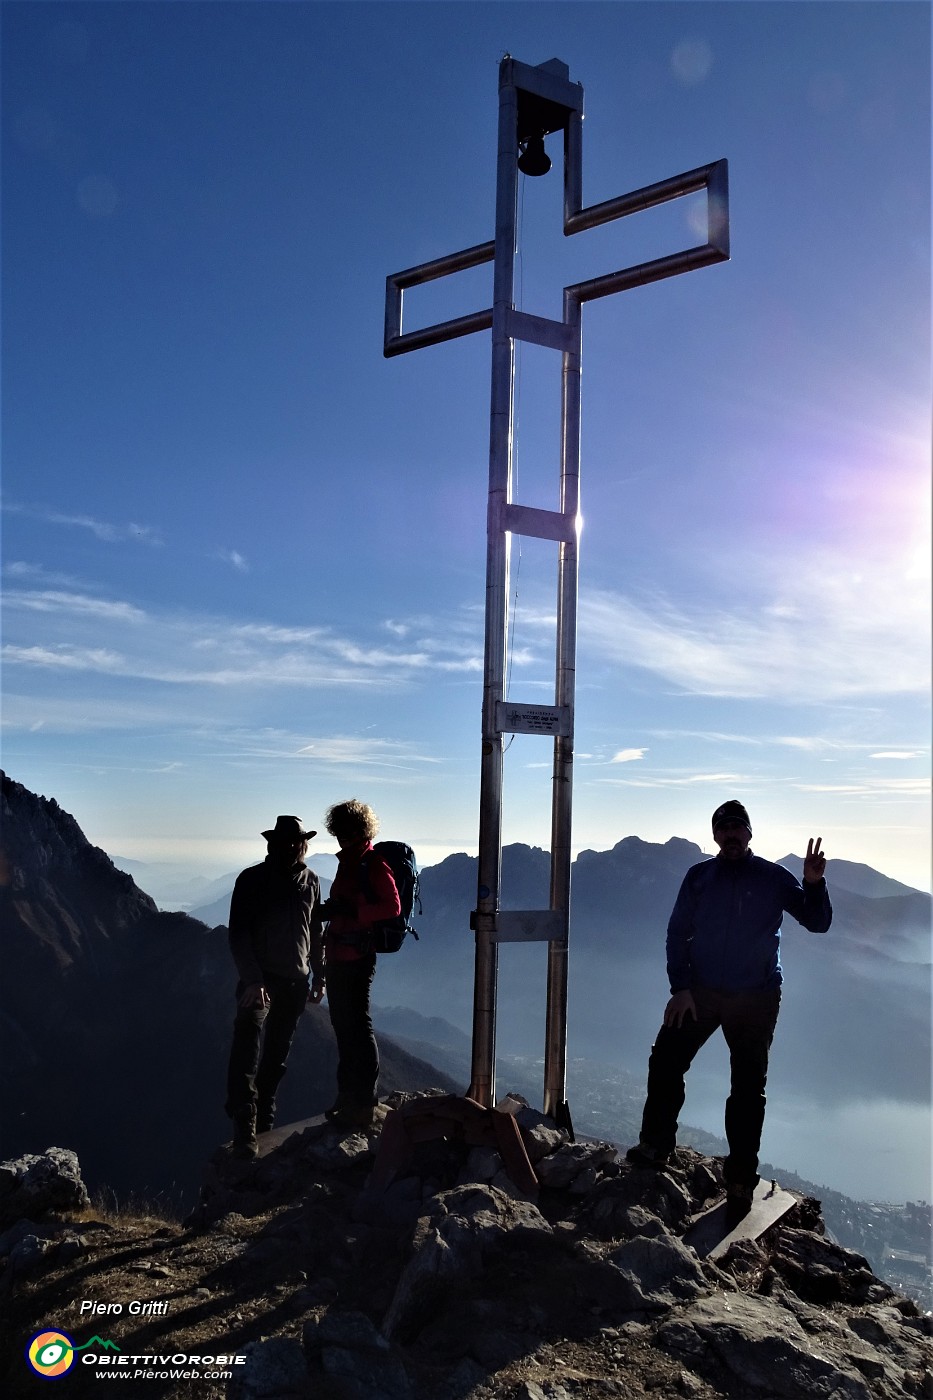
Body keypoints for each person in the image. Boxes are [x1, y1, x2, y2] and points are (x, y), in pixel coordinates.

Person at [626, 799, 832, 1223]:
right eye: (725, 829)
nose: (732, 835)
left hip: (755, 998)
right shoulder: (699, 877)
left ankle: (740, 1178)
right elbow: (678, 932)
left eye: (739, 828)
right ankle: (655, 1145)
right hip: (700, 993)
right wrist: (680, 989)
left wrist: (813, 883)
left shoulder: (774, 878)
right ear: (716, 835)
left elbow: (817, 922)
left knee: (747, 1087)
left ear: (750, 834)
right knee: (665, 1058)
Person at [226, 814, 325, 1157]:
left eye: (296, 842)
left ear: (303, 845)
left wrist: (320, 975)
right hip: (260, 983)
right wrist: (253, 979)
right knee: (246, 1051)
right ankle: (244, 1129)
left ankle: (263, 1132)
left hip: (296, 983)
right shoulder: (252, 880)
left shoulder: (312, 881)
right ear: (271, 845)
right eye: (283, 843)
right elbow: (237, 933)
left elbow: (314, 932)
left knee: (275, 1060)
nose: (291, 848)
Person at [320, 799, 400, 1129]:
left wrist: (352, 912)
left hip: (357, 957)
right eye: (338, 833)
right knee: (342, 1025)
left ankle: (365, 1100)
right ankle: (348, 1095)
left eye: (346, 833)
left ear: (359, 831)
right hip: (338, 955)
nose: (341, 839)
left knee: (357, 1025)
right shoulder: (349, 863)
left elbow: (392, 906)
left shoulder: (372, 863)